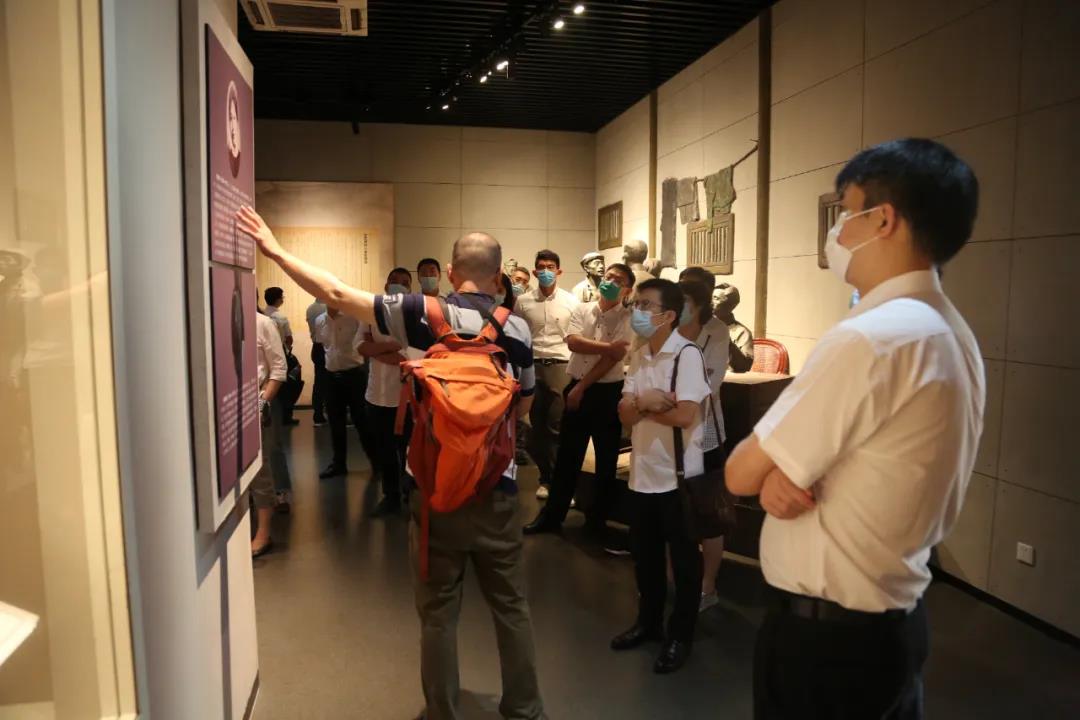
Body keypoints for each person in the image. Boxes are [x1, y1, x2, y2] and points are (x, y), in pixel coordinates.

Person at [237, 206, 546, 720]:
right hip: (497, 488)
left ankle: (442, 711)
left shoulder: (420, 312)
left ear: (449, 272)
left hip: (433, 486)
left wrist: (273, 248)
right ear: (499, 278)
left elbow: (335, 293)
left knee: (438, 612)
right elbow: (526, 403)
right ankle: (526, 708)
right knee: (511, 607)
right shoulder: (517, 328)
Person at [725, 138, 984, 719]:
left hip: (828, 643)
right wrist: (777, 474)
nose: (838, 233)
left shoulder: (872, 337)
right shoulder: (947, 329)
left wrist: (772, 473)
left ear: (883, 220)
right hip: (891, 623)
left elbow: (741, 473)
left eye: (845, 213)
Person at [613, 278, 711, 674]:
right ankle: (648, 622)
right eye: (636, 303)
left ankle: (680, 635)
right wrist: (646, 402)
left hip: (677, 476)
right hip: (642, 474)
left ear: (669, 315)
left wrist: (642, 406)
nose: (637, 311)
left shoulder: (685, 355)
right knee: (646, 557)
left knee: (685, 562)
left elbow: (686, 414)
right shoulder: (640, 355)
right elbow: (623, 414)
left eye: (645, 305)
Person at [524, 262, 635, 540]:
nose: (610, 282)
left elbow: (614, 358)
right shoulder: (582, 309)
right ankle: (552, 516)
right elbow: (573, 342)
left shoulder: (628, 318)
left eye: (618, 280)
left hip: (606, 392)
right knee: (567, 456)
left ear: (627, 290)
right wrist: (607, 348)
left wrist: (582, 387)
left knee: (606, 460)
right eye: (608, 276)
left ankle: (597, 521)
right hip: (576, 387)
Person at [677, 267, 731, 612]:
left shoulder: (717, 331)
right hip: (669, 434)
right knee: (674, 512)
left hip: (705, 431)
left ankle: (707, 584)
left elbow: (707, 384)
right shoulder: (667, 329)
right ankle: (674, 579)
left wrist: (665, 396)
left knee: (708, 514)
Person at [514, 250, 579, 500]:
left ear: (559, 271)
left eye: (550, 267)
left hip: (560, 364)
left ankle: (561, 483)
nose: (545, 271)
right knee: (537, 426)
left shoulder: (571, 301)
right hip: (532, 365)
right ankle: (545, 478)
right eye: (541, 267)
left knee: (557, 425)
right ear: (534, 272)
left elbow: (576, 335)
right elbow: (518, 335)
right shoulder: (523, 302)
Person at [358, 267, 415, 517]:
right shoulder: (372, 312)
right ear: (386, 285)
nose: (398, 285)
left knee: (408, 450)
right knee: (384, 449)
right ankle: (390, 496)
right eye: (394, 281)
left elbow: (410, 356)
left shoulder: (415, 316)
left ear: (410, 289)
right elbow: (360, 346)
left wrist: (378, 349)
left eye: (404, 282)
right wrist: (391, 348)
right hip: (376, 395)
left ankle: (410, 495)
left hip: (405, 397)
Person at [314, 304, 371, 479]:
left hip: (354, 375)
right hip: (331, 376)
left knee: (362, 421)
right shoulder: (320, 321)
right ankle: (339, 464)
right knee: (335, 423)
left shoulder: (354, 317)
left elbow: (365, 346)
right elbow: (322, 347)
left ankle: (376, 462)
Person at [252, 309, 287, 557]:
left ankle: (263, 532)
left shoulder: (263, 323)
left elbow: (278, 368)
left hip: (255, 402)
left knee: (259, 469)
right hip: (225, 406)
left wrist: (262, 403)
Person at [712, 283, 754, 373]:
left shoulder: (742, 332)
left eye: (716, 298)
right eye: (710, 298)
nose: (710, 303)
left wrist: (727, 343)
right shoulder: (701, 327)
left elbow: (744, 366)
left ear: (730, 305)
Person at [306, 297, 328, 427]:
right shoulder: (329, 308)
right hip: (329, 347)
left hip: (316, 348)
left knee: (319, 382)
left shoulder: (310, 308)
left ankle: (318, 415)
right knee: (335, 382)